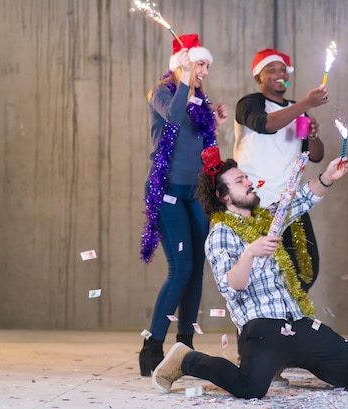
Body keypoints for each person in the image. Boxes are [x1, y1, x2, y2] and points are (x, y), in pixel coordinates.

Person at [150, 151, 348, 399]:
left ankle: (289, 356)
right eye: (239, 181)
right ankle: (186, 359)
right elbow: (233, 285)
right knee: (250, 388)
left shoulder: (267, 220)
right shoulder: (221, 234)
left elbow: (300, 200)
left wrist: (328, 176)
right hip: (262, 327)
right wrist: (250, 253)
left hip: (296, 321)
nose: (248, 182)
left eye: (245, 177)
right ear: (222, 196)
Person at [138, 34, 229, 377]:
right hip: (168, 193)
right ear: (184, 63)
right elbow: (174, 120)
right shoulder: (162, 92)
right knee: (180, 269)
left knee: (196, 271)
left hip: (196, 193)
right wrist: (187, 80)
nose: (205, 71)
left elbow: (199, 146)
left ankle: (185, 346)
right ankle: (151, 347)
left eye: (206, 65)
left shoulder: (199, 99)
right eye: (200, 64)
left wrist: (215, 125)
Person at [234, 48, 328, 295]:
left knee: (305, 270)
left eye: (283, 70)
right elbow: (265, 125)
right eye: (271, 69)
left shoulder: (298, 110)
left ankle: (287, 326)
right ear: (258, 77)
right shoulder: (250, 104)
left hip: (289, 202)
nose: (279, 73)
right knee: (257, 271)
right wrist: (306, 103)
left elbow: (316, 155)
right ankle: (254, 329)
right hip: (256, 203)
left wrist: (313, 135)